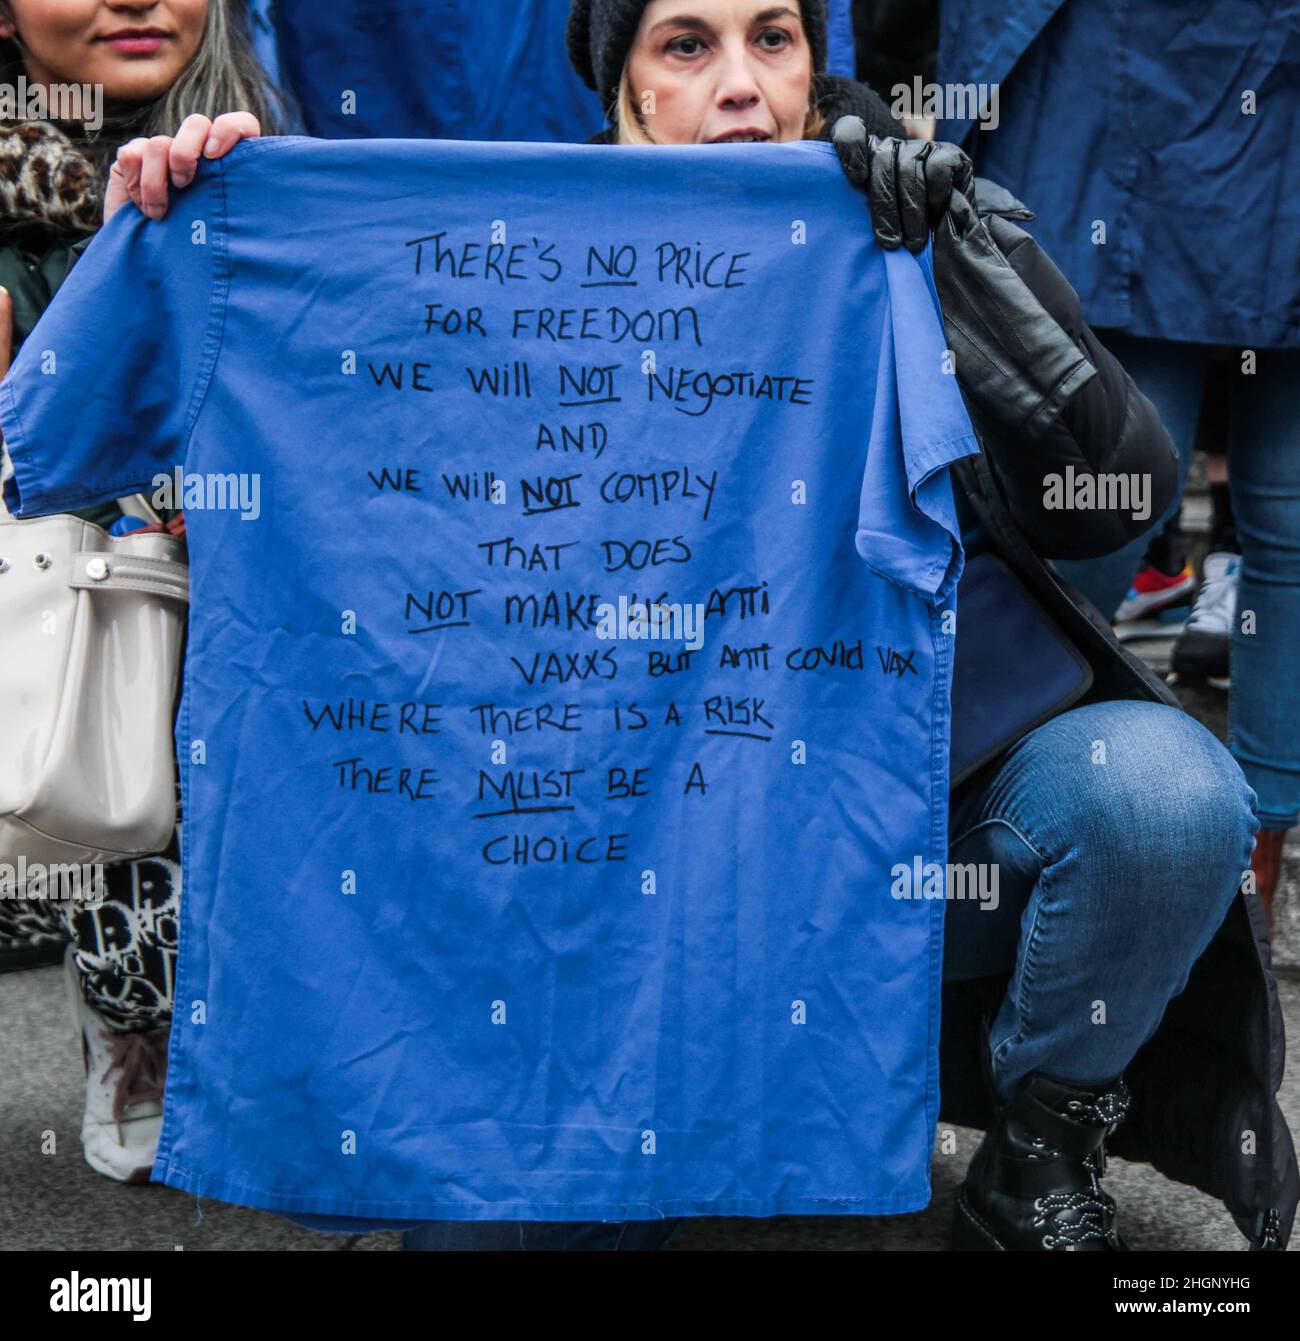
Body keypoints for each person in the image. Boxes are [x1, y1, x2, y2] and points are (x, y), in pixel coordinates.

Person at [103, 0, 1296, 1251]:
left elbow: (1117, 496)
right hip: (595, 876)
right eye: (686, 45)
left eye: (772, 39)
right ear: (618, 88)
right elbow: (201, 434)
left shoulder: (895, 219)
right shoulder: (492, 269)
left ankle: (1040, 1143)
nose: (740, 84)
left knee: (1160, 793)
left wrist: (954, 269)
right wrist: (200, 207)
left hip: (889, 842)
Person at [931, 0, 1300, 932]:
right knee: (1169, 500)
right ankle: (1233, 870)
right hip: (1138, 93)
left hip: (1102, 96)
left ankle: (1077, 853)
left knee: (1098, 494)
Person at [0, 0, 281, 1181]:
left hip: (245, 622)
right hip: (60, 636)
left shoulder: (286, 170)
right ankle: (137, 1028)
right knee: (111, 808)